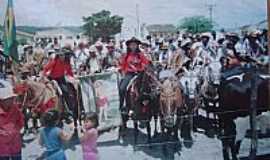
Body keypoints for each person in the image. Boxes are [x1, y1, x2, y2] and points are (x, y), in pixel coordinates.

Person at [118, 37, 150, 112]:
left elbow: (146, 63)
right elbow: (123, 66)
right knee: (122, 88)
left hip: (140, 74)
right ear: (129, 46)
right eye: (131, 45)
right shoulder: (126, 55)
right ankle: (123, 105)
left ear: (137, 45)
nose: (133, 46)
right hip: (130, 74)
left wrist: (142, 68)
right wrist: (121, 70)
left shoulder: (141, 55)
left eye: (135, 45)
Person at [0, 79, 24, 160]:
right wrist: (3, 133)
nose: (12, 100)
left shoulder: (15, 109)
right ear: (2, 100)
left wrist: (15, 130)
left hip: (15, 143)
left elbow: (20, 121)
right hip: (2, 147)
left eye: (12, 98)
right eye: (9, 99)